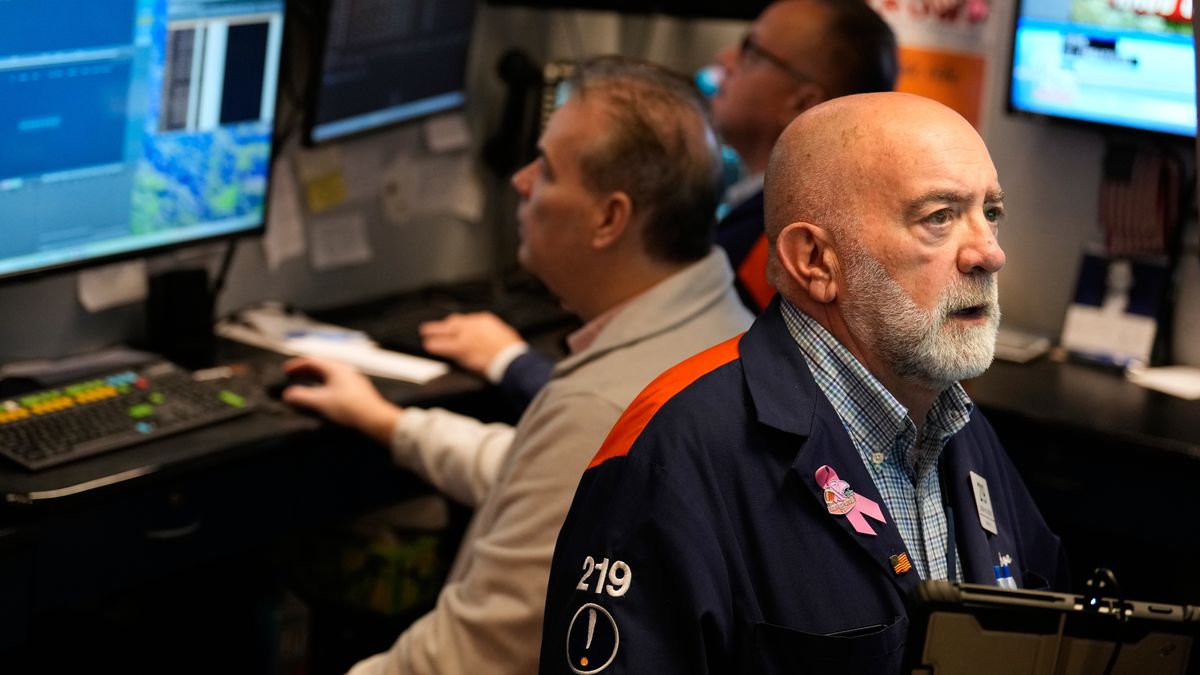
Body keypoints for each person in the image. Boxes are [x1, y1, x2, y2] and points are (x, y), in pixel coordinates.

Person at [538, 92, 1068, 674]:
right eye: (938, 217)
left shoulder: (958, 426)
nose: (989, 253)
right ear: (815, 260)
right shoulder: (676, 453)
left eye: (989, 212)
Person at [279, 56, 753, 675]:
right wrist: (391, 423)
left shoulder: (607, 406)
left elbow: (470, 660)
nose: (521, 182)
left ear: (610, 218)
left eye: (548, 170)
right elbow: (538, 478)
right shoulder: (721, 321)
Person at [419, 0, 898, 414]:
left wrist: (512, 364)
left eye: (751, 51)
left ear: (802, 100)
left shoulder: (780, 248)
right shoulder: (774, 218)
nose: (725, 58)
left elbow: (662, 406)